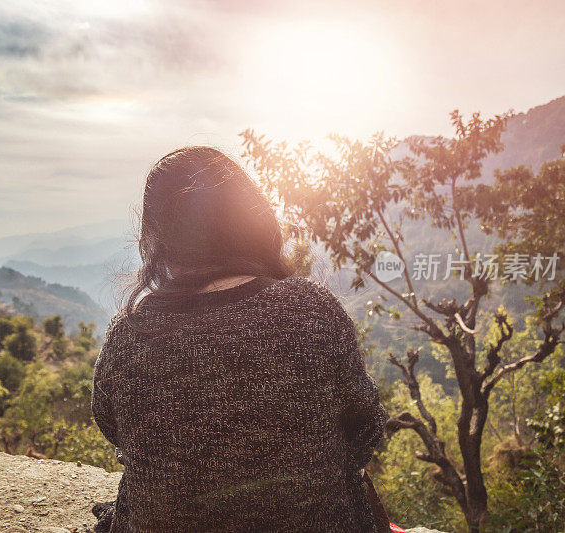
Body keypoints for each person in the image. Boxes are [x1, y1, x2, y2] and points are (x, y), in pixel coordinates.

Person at [91, 146, 389, 532]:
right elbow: (366, 428)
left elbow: (114, 429)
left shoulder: (130, 334)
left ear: (157, 236)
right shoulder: (311, 309)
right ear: (252, 218)